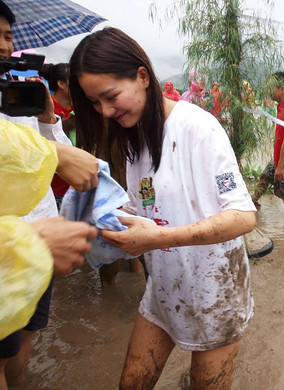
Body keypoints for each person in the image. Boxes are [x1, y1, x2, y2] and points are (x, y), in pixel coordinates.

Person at [68, 27, 256, 389]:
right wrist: (103, 225)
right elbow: (148, 211)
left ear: (142, 76)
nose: (105, 112)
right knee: (131, 384)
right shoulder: (133, 138)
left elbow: (243, 216)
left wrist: (158, 238)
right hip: (163, 291)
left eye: (110, 97)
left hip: (216, 293)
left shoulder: (198, 128)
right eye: (94, 103)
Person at [0, 3, 99, 388]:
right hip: (15, 240)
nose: (4, 47)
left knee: (25, 337)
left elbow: (62, 159)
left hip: (43, 231)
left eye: (7, 36)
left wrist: (46, 119)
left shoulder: (19, 93)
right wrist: (56, 152)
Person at [252, 71, 284, 218]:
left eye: (271, 87)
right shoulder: (280, 105)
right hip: (279, 158)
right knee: (264, 177)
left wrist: (280, 167)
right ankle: (252, 203)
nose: (269, 91)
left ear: (281, 88)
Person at [39, 63, 75, 210]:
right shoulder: (43, 108)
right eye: (74, 80)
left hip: (73, 187)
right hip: (50, 190)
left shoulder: (81, 109)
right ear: (61, 84)